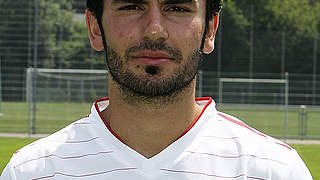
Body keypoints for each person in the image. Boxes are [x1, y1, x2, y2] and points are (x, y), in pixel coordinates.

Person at [1, 0, 313, 179]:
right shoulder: (31, 172)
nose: (154, 29)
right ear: (96, 29)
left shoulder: (275, 170)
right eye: (131, 6)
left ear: (210, 30)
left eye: (177, 7)